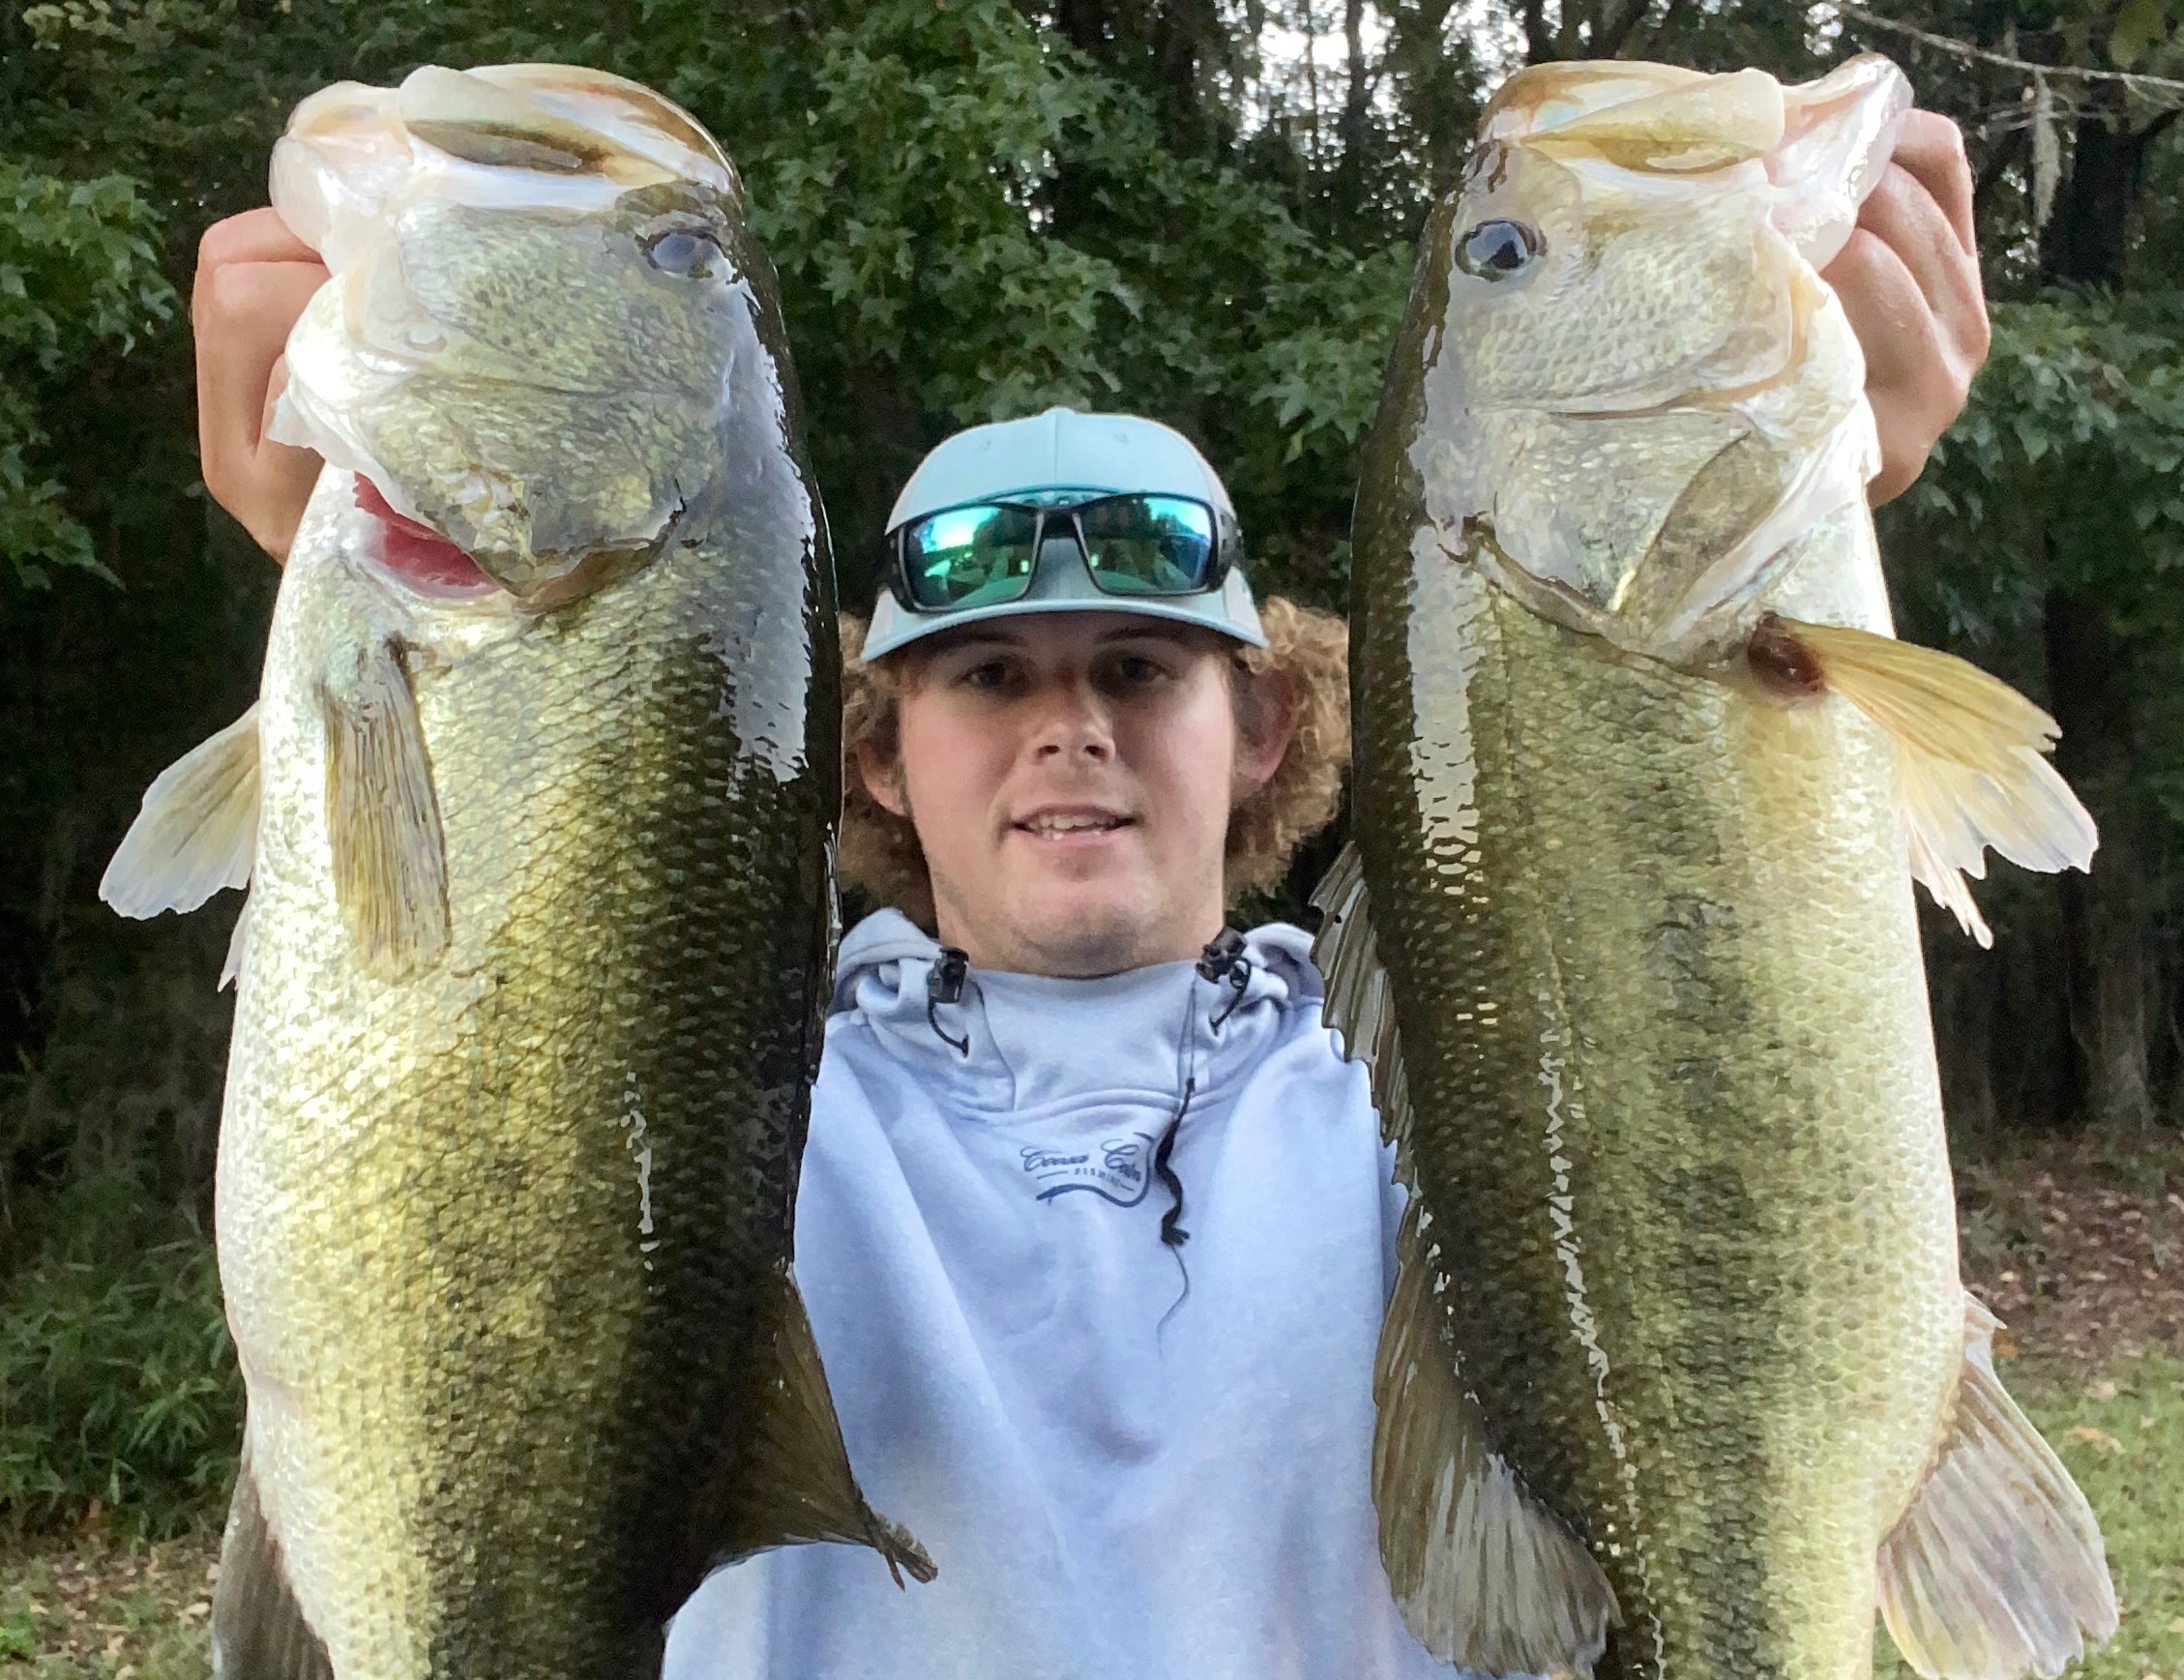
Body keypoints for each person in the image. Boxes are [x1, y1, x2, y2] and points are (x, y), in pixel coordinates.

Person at [193, 110, 1992, 1680]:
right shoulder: (728, 1104)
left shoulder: (1445, 1098)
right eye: (988, 679)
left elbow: (1700, 1038)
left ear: (1269, 721)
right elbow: (516, 963)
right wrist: (415, 595)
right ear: (874, 751)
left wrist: (1795, 510)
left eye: (1143, 667)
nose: (1070, 728)